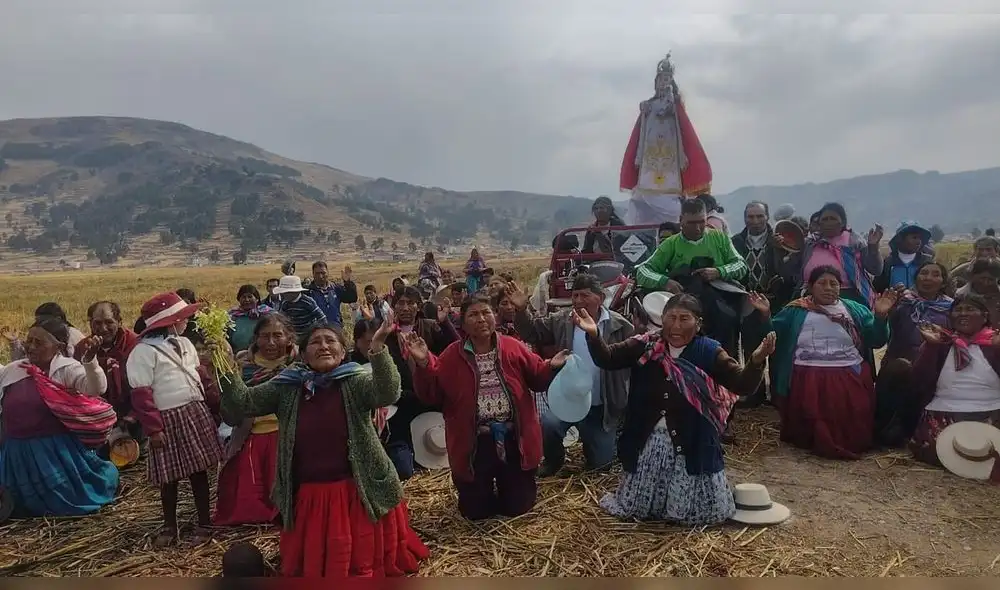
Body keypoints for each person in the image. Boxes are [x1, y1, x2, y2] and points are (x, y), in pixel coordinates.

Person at [217, 318, 429, 578]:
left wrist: (377, 348)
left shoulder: (354, 381)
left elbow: (387, 392)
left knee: (362, 563)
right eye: (315, 342)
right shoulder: (287, 386)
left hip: (359, 488)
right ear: (303, 353)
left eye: (331, 341)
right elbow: (243, 403)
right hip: (310, 492)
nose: (324, 346)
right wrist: (225, 367)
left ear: (342, 351)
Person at [573, 297, 774, 524]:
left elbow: (742, 384)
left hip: (692, 441)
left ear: (698, 324)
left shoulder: (708, 352)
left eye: (684, 319)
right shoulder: (646, 345)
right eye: (671, 317)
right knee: (639, 510)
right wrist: (593, 335)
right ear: (662, 320)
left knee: (698, 515)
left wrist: (756, 361)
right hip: (649, 441)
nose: (676, 326)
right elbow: (607, 358)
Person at [407, 296, 569, 520]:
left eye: (486, 312)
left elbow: (537, 376)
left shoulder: (513, 347)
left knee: (518, 508)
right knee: (476, 513)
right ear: (462, 324)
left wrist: (551, 366)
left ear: (495, 316)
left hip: (514, 438)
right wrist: (424, 364)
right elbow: (431, 394)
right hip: (475, 442)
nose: (481, 319)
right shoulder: (452, 356)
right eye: (473, 315)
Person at [763, 266, 898, 459]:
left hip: (848, 373)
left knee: (853, 421)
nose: (828, 288)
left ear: (840, 287)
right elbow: (771, 334)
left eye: (833, 284)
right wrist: (765, 315)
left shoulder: (855, 310)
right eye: (822, 283)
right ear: (810, 286)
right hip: (808, 376)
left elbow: (876, 340)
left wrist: (880, 317)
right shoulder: (794, 310)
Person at [510, 274, 634, 476]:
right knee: (548, 424)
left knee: (601, 466)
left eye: (584, 295)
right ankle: (553, 460)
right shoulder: (562, 320)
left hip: (601, 407)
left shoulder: (619, 326)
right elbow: (532, 332)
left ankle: (592, 445)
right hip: (568, 401)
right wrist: (522, 310)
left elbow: (632, 359)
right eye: (574, 295)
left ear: (600, 298)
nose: (577, 301)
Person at [127, 292, 224, 547]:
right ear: (169, 321)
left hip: (193, 412)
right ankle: (170, 525)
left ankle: (205, 521)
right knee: (169, 477)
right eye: (181, 317)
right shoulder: (143, 353)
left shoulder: (185, 344)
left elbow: (198, 375)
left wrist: (213, 402)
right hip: (167, 418)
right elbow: (141, 394)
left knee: (199, 472)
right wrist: (154, 430)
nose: (186, 321)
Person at [0, 316, 117, 517]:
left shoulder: (65, 370)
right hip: (17, 453)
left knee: (65, 500)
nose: (31, 347)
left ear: (58, 346)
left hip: (54, 454)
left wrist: (90, 361)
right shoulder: (14, 371)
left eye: (39, 342)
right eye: (29, 341)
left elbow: (95, 388)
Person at [214, 314, 297, 526]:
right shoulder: (242, 366)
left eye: (277, 335)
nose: (270, 342)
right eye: (264, 336)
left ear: (289, 338)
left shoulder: (300, 365)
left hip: (290, 434)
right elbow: (230, 408)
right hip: (252, 433)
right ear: (256, 339)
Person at [636, 197, 748, 354]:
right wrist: (665, 281)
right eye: (692, 223)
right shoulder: (671, 244)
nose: (698, 228)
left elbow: (741, 265)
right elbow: (643, 270)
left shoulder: (719, 238)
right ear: (681, 220)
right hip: (685, 298)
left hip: (720, 297)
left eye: (701, 222)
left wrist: (718, 272)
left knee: (737, 318)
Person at [619, 53, 712, 225]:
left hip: (671, 150)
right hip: (650, 150)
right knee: (644, 189)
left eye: (668, 79)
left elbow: (681, 124)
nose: (664, 83)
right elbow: (642, 131)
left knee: (670, 193)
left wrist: (673, 102)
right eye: (662, 79)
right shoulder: (649, 104)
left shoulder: (674, 104)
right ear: (656, 82)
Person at [908, 294, 1000, 466]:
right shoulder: (942, 343)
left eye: (970, 309)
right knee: (932, 450)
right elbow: (918, 381)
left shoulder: (994, 343)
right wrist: (931, 348)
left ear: (985, 317)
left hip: (992, 411)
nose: (963, 314)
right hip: (945, 413)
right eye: (958, 310)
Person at [383, 286, 459, 479]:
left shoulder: (431, 326)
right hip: (402, 404)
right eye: (401, 303)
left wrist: (445, 323)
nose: (406, 307)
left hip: (432, 400)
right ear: (394, 307)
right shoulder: (387, 332)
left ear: (418, 306)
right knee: (405, 465)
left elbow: (456, 350)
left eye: (411, 303)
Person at [874, 262, 953, 447]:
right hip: (898, 365)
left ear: (943, 282)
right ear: (916, 278)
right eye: (924, 273)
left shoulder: (951, 307)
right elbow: (885, 330)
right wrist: (888, 311)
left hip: (933, 367)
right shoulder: (903, 301)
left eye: (935, 274)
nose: (928, 278)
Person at [731, 201, 796, 406]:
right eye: (751, 217)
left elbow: (788, 272)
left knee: (777, 346)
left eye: (760, 216)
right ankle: (754, 393)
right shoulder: (736, 242)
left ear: (767, 217)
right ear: (744, 219)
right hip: (749, 300)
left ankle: (778, 394)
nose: (755, 221)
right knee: (751, 346)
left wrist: (779, 251)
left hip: (776, 301)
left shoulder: (779, 240)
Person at [74, 301, 143, 454]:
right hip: (98, 419)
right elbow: (77, 390)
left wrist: (133, 416)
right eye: (97, 323)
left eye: (109, 322)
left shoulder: (135, 345)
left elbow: (146, 386)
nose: (103, 329)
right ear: (90, 323)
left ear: (119, 322)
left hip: (133, 416)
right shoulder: (82, 349)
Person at [787, 202, 883, 309]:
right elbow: (789, 269)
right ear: (819, 223)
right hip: (810, 299)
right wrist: (784, 248)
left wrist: (873, 248)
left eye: (833, 219)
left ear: (842, 223)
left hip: (849, 299)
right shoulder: (809, 243)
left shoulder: (854, 242)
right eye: (825, 219)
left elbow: (875, 270)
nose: (829, 223)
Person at [6, 302, 86, 359]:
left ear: (58, 319)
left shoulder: (73, 335)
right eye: (37, 320)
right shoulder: (38, 333)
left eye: (43, 320)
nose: (39, 323)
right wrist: (14, 343)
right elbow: (23, 362)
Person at [873, 221, 935, 293]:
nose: (919, 242)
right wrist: (892, 292)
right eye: (914, 237)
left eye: (919, 238)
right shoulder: (887, 264)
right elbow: (877, 291)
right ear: (900, 239)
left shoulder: (927, 262)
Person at [271, 275, 327, 340]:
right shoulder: (285, 303)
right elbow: (281, 318)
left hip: (307, 338)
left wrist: (318, 334)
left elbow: (322, 318)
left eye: (285, 292)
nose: (283, 294)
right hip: (293, 338)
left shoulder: (308, 302)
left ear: (295, 291)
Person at [305, 261, 357, 330]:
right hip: (317, 331)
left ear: (328, 273)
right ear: (313, 274)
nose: (320, 276)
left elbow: (351, 298)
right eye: (317, 273)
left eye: (323, 273)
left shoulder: (335, 288)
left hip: (336, 329)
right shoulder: (308, 292)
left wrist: (347, 282)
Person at [955, 258, 1000, 326]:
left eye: (991, 279)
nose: (986, 283)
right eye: (982, 278)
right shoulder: (959, 295)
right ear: (972, 276)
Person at [228, 285, 271, 353]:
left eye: (250, 296)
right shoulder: (232, 315)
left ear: (257, 299)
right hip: (237, 355)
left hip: (262, 354)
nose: (247, 300)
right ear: (239, 299)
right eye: (243, 297)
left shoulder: (266, 314)